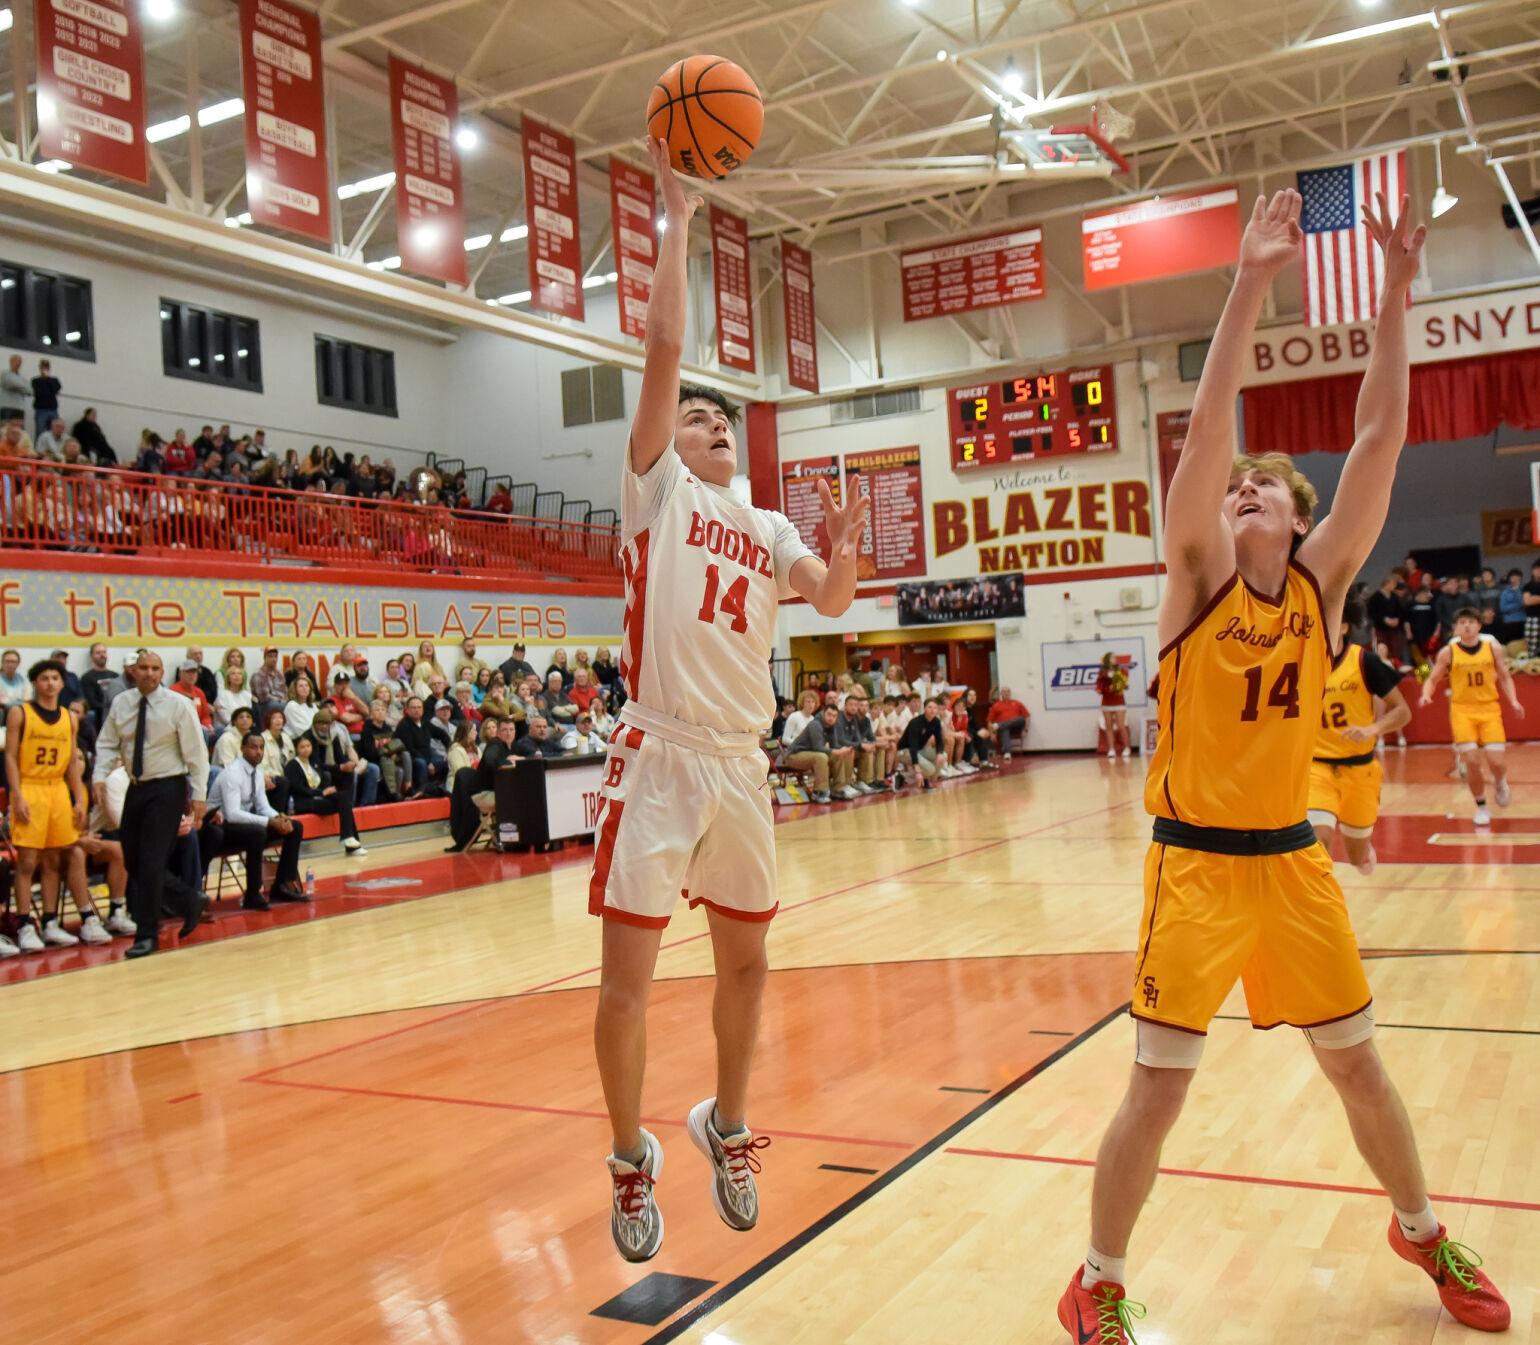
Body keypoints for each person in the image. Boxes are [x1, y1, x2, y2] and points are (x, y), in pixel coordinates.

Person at [1058, 190, 1509, 1342]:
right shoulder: (1195, 573)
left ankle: (1420, 1229)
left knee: (1359, 1069)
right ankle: (1096, 1279)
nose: (1241, 484)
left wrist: (1396, 291)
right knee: (1157, 1088)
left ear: (1297, 518)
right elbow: (1206, 431)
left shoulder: (1319, 582)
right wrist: (1251, 281)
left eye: (1264, 482)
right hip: (1194, 871)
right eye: (1234, 481)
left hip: (1291, 866)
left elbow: (1379, 435)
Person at [588, 136, 866, 1264]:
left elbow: (834, 603)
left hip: (740, 763)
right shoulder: (653, 491)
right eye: (699, 417)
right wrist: (678, 215)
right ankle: (627, 1156)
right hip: (657, 756)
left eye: (721, 421)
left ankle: (728, 1123)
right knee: (628, 982)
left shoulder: (768, 526)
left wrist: (844, 554)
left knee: (748, 964)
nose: (711, 427)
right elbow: (661, 347)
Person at [93, 650, 209, 958]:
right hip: (135, 786)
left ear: (161, 672)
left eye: (155, 668)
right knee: (133, 861)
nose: (149, 673)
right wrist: (99, 777)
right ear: (132, 670)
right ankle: (188, 899)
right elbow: (106, 744)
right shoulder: (122, 703)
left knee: (151, 861)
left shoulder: (179, 705)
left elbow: (197, 753)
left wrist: (199, 795)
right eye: (143, 667)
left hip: (168, 788)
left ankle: (146, 936)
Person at [4, 660, 113, 951]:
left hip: (57, 792)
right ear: (35, 683)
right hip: (30, 788)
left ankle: (51, 922)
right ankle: (26, 923)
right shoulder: (19, 713)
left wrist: (79, 799)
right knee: (28, 862)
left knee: (54, 860)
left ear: (62, 683)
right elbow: (11, 758)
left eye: (55, 678)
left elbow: (70, 765)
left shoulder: (69, 718)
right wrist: (17, 795)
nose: (50, 683)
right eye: (44, 678)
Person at [1308, 602, 1412, 875]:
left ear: (1343, 626)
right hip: (1316, 767)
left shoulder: (1364, 661)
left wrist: (1373, 729)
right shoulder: (1301, 661)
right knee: (1317, 841)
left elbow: (1403, 711)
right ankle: (1322, 911)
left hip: (1360, 769)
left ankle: (1363, 853)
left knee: (1356, 857)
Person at [1420, 607, 1525, 826]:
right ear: (1455, 628)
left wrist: (1514, 701)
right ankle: (1482, 806)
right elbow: (1432, 679)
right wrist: (1426, 695)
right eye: (1462, 622)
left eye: (1471, 622)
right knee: (1471, 761)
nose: (1467, 626)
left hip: (1489, 709)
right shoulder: (1448, 652)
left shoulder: (1492, 647)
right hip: (1462, 711)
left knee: (1496, 762)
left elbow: (1505, 677)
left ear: (1479, 626)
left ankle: (1499, 781)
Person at [207, 732, 307, 910]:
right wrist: (269, 822)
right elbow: (232, 814)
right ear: (243, 749)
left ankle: (282, 884)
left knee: (295, 826)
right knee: (257, 832)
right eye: (253, 747)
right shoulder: (232, 773)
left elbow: (263, 807)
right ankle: (252, 893)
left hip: (242, 825)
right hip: (220, 827)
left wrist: (278, 817)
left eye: (261, 748)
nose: (259, 752)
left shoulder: (257, 773)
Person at [284, 732, 367, 855]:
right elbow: (297, 788)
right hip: (306, 801)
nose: (306, 750)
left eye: (308, 746)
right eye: (302, 747)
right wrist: (321, 792)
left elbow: (327, 769)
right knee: (345, 803)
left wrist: (343, 768)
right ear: (296, 749)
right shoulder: (292, 765)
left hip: (320, 798)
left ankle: (349, 839)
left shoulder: (313, 762)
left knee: (344, 798)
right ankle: (350, 842)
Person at [896, 697, 945, 790]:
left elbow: (940, 741)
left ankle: (925, 780)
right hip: (905, 750)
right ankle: (903, 776)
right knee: (930, 769)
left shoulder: (936, 722)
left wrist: (940, 753)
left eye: (935, 708)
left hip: (920, 749)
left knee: (943, 756)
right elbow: (912, 747)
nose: (932, 710)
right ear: (924, 708)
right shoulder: (916, 723)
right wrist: (918, 770)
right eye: (930, 707)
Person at [1096, 652, 1131, 758]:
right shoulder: (1102, 672)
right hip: (1106, 702)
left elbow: (1125, 685)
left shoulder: (1121, 671)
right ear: (1107, 660)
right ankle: (1111, 749)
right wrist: (1105, 687)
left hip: (1119, 701)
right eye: (1112, 657)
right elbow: (1100, 685)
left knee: (1121, 725)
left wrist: (1121, 685)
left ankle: (1127, 748)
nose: (1115, 659)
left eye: (1115, 657)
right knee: (1109, 726)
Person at [986, 687, 1029, 758]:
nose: (1006, 693)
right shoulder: (996, 705)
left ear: (1010, 693)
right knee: (1004, 729)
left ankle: (999, 725)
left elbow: (1027, 716)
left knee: (1021, 718)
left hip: (1016, 727)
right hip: (1003, 729)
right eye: (1004, 692)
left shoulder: (1017, 703)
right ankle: (1007, 753)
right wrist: (992, 733)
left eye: (1008, 691)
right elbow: (989, 720)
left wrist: (1026, 729)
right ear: (1001, 694)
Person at [445, 719, 480, 791]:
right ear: (467, 732)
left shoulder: (477, 749)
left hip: (475, 785)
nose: (476, 733)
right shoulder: (455, 750)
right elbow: (460, 772)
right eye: (474, 730)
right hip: (457, 788)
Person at [31, 359, 60, 444]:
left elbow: (56, 388)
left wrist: (48, 378)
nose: (45, 369)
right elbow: (39, 393)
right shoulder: (35, 380)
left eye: (46, 367)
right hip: (41, 410)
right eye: (43, 367)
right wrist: (49, 390)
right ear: (40, 368)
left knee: (54, 432)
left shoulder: (54, 380)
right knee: (40, 432)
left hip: (53, 410)